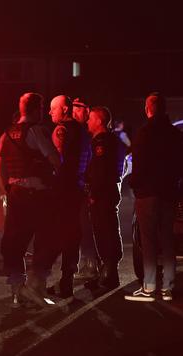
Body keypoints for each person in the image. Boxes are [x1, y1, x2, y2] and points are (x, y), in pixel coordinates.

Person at [0, 92, 62, 307]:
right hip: (37, 194)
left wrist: (6, 188)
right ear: (37, 109)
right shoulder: (36, 131)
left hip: (16, 192)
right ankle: (35, 285)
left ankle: (17, 291)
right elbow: (54, 158)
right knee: (47, 239)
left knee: (15, 242)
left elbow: (1, 164)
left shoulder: (7, 133)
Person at [125, 92, 183, 302]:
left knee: (149, 239)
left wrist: (135, 184)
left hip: (148, 193)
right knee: (168, 239)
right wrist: (173, 180)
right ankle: (168, 286)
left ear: (148, 109)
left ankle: (150, 286)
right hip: (168, 192)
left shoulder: (144, 133)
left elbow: (139, 163)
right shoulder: (174, 134)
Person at [47, 94, 83, 301]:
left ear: (65, 110)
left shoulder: (62, 130)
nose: (50, 112)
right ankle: (66, 279)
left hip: (62, 191)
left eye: (54, 108)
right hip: (75, 190)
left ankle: (52, 280)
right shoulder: (80, 130)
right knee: (72, 236)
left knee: (58, 235)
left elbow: (57, 161)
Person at [85, 106, 124, 290]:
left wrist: (93, 192)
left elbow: (100, 172)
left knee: (105, 231)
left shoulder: (103, 142)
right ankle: (106, 272)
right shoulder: (108, 141)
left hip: (102, 193)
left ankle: (109, 274)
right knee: (103, 231)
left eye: (90, 119)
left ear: (99, 121)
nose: (87, 122)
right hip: (105, 192)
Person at [72, 98, 100, 282]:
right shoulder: (78, 132)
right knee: (81, 228)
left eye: (80, 110)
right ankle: (88, 263)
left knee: (84, 228)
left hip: (82, 187)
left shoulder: (84, 133)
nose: (80, 114)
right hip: (79, 186)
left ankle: (90, 264)